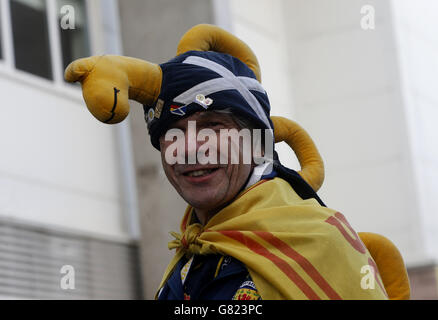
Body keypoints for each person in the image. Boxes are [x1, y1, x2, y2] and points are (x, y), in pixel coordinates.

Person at [65, 24, 410, 300]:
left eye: (214, 127)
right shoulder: (190, 254)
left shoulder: (321, 242)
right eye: (172, 133)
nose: (191, 148)